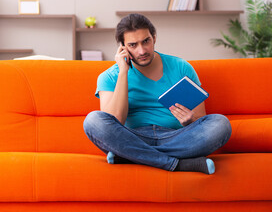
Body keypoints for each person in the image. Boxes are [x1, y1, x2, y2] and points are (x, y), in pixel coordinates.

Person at [83, 13, 231, 175]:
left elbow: (200, 120)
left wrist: (189, 121)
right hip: (132, 137)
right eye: (133, 45)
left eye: (146, 41)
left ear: (154, 38)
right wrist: (123, 73)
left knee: (220, 124)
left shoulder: (182, 67)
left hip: (176, 137)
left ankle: (131, 156)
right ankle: (177, 164)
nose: (142, 51)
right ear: (123, 47)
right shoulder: (110, 76)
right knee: (93, 121)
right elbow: (115, 120)